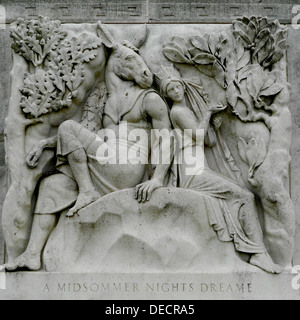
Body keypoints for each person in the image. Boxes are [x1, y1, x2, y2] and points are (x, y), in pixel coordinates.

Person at [155, 66, 283, 274]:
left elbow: (207, 139)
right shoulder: (178, 112)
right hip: (191, 171)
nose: (175, 91)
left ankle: (254, 251)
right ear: (167, 96)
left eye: (176, 86)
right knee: (244, 197)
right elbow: (198, 136)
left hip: (197, 167)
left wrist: (211, 122)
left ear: (183, 86)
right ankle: (257, 253)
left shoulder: (186, 110)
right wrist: (207, 114)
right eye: (170, 90)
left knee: (240, 196)